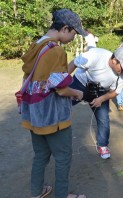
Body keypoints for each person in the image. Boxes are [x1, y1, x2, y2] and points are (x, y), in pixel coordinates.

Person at [20, 9, 86, 198]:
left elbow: (50, 78)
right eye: (74, 33)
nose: (74, 37)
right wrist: (77, 92)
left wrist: (74, 63)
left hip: (34, 113)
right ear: (65, 28)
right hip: (53, 116)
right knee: (63, 158)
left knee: (40, 156)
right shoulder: (56, 50)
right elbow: (61, 88)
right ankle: (62, 195)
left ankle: (37, 192)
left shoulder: (37, 45)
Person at [68, 46, 123, 159]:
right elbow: (74, 62)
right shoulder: (96, 55)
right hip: (80, 82)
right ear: (114, 60)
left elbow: (115, 92)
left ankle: (103, 145)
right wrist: (61, 80)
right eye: (122, 67)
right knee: (62, 105)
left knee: (103, 119)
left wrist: (101, 99)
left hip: (101, 91)